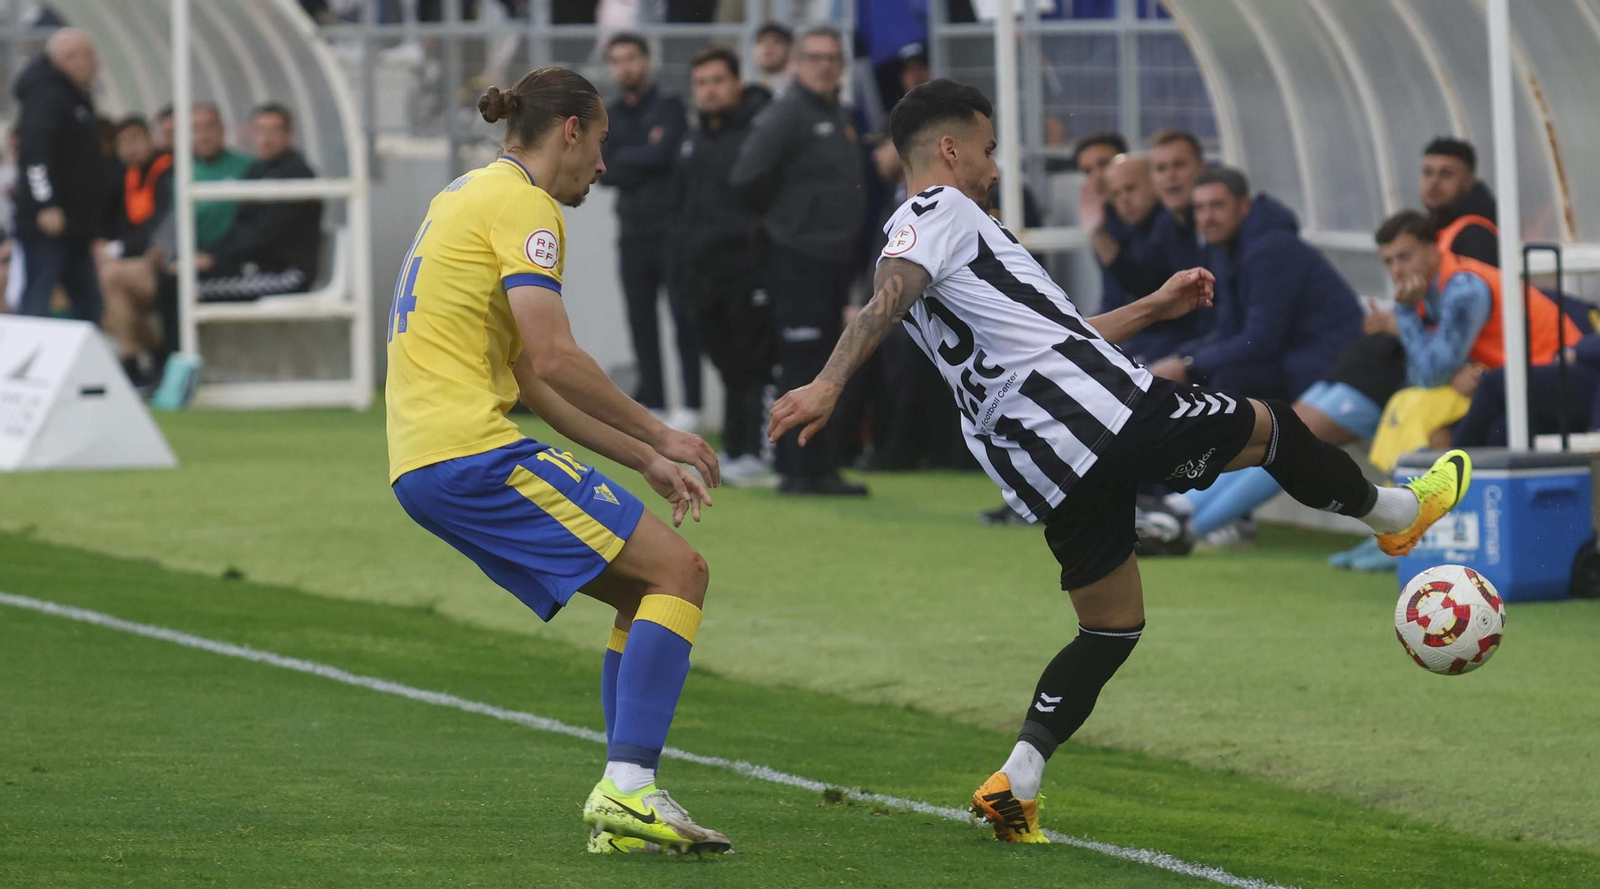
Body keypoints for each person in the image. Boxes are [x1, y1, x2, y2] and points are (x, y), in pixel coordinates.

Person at [765, 78, 1473, 843]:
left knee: (1110, 626)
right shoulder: (938, 212)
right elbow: (887, 298)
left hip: (1042, 460)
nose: (995, 168)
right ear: (949, 148)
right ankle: (1397, 514)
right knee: (1272, 424)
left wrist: (1154, 308)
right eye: (989, 150)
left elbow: (1053, 332)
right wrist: (829, 381)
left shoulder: (942, 236)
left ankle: (1017, 780)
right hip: (1098, 416)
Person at [385, 66, 730, 856]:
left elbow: (534, 381)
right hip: (472, 450)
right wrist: (666, 433)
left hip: (425, 458)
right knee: (681, 572)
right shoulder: (525, 204)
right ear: (569, 131)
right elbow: (556, 356)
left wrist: (641, 456)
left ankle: (625, 810)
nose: (603, 165)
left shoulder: (463, 195)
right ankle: (629, 786)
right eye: (600, 142)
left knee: (645, 591)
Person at [730, 25, 867, 496]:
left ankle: (820, 466)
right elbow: (746, 178)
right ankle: (797, 469)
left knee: (826, 363)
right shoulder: (785, 114)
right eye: (815, 57)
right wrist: (788, 223)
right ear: (797, 63)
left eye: (833, 58)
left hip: (833, 260)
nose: (825, 66)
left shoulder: (840, 114)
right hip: (797, 259)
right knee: (802, 363)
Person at [1148, 167, 1361, 400]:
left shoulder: (1270, 248)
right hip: (1290, 354)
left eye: (1217, 205)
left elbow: (1261, 340)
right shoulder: (1224, 246)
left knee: (1227, 382)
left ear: (1244, 206)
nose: (1207, 217)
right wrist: (1181, 358)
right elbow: (1228, 328)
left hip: (1329, 360)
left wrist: (1189, 365)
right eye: (1199, 208)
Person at [667, 46, 773, 484]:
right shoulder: (692, 140)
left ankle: (759, 452)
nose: (708, 91)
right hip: (702, 275)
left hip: (749, 271)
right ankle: (735, 448)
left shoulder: (757, 134)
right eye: (700, 83)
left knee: (756, 366)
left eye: (717, 81)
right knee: (728, 367)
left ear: (737, 83)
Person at [599, 33, 699, 431]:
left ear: (646, 60)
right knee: (640, 321)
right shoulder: (608, 114)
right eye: (617, 60)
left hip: (673, 231)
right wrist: (646, 154)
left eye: (631, 58)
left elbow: (667, 154)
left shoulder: (669, 105)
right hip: (632, 232)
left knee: (684, 319)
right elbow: (605, 170)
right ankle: (653, 402)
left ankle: (691, 404)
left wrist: (631, 157)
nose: (625, 67)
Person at [13, 28, 109, 322]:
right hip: (51, 224)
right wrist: (46, 204)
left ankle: (93, 349)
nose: (96, 62)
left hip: (75, 224)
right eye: (89, 55)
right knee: (38, 300)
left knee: (90, 305)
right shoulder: (46, 95)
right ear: (67, 59)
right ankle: (23, 352)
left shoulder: (72, 96)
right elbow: (34, 155)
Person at [98, 117, 171, 384]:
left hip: (160, 261)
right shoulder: (124, 177)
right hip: (134, 262)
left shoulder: (167, 172)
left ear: (151, 139)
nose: (130, 148)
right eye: (123, 143)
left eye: (136, 139)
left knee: (109, 277)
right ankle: (153, 354)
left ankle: (131, 359)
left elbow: (161, 225)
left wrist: (117, 248)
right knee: (97, 281)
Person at [1421, 137, 1497, 266]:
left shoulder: (1475, 234)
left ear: (1469, 181)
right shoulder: (1436, 227)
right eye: (1427, 173)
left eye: (1446, 174)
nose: (1434, 182)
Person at [751, 22, 792, 96]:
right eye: (761, 42)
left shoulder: (799, 86)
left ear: (789, 49)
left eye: (776, 42)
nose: (768, 47)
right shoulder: (744, 87)